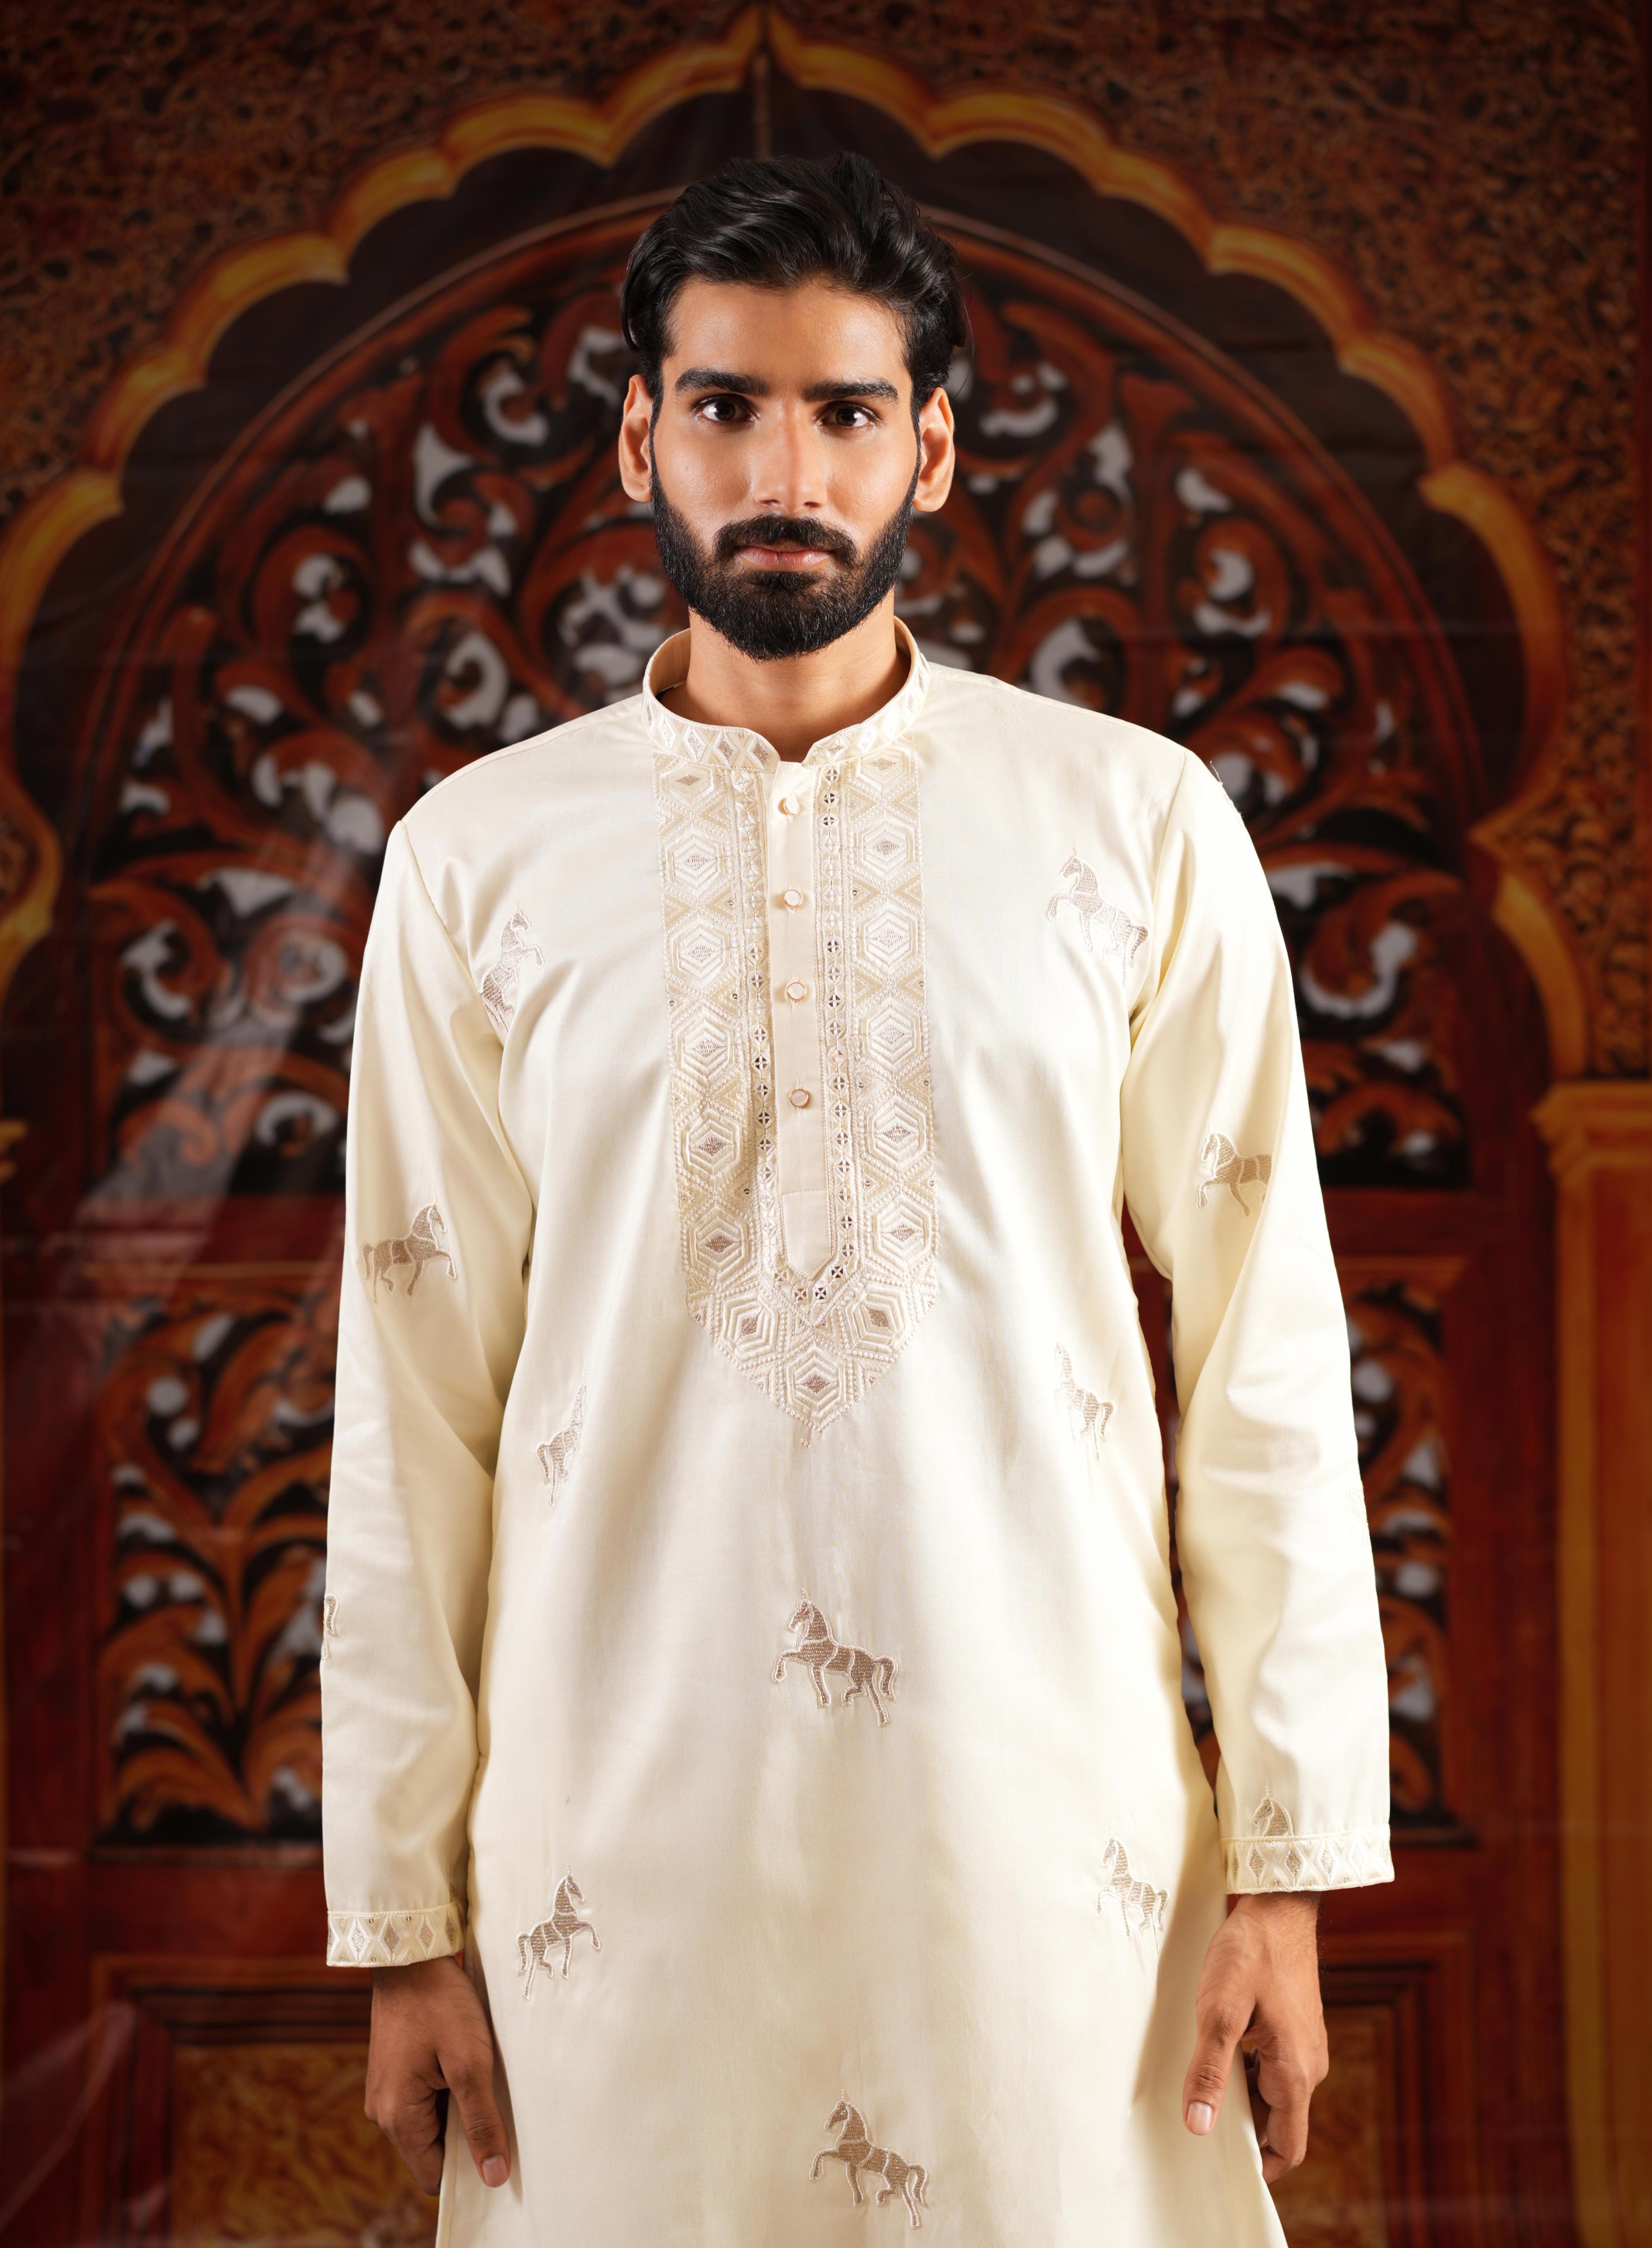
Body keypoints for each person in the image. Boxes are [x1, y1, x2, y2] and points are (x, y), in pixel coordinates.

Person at [321, 151, 1392, 2246]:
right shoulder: (476, 861)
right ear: (639, 438)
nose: (784, 470)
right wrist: (402, 1914)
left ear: (933, 448)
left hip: (1049, 1856)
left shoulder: (1131, 828)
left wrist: (1285, 1871)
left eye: (842, 410)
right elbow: (412, 1401)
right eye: (726, 406)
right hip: (609, 1866)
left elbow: (1265, 1352)